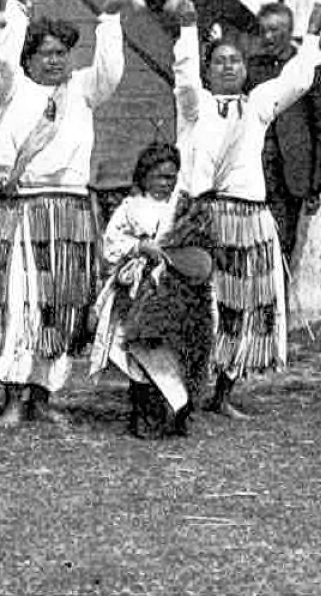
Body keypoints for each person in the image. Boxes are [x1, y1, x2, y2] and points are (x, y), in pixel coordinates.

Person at [0, 0, 130, 428]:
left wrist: (109, 20)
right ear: (30, 59)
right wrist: (19, 5)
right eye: (44, 54)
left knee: (61, 303)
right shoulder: (14, 90)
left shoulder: (81, 90)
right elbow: (1, 61)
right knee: (15, 299)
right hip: (22, 209)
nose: (53, 61)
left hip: (69, 210)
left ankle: (43, 396)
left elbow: (110, 71)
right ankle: (11, 397)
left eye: (61, 53)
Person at [172, 0, 321, 419]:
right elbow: (184, 79)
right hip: (206, 218)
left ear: (246, 70)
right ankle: (186, 389)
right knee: (201, 306)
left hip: (249, 219)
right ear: (208, 70)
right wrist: (188, 27)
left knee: (243, 307)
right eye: (219, 61)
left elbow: (297, 80)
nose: (228, 67)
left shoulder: (258, 103)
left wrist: (313, 33)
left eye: (235, 62)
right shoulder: (196, 107)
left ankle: (223, 394)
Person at [90, 142, 215, 437]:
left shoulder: (183, 209)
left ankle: (178, 411)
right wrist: (139, 247)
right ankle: (147, 416)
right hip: (139, 291)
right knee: (141, 350)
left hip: (178, 291)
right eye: (160, 177)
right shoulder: (131, 208)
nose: (166, 183)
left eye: (171, 177)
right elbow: (110, 245)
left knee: (176, 349)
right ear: (144, 176)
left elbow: (198, 248)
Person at [244, 2, 321, 264]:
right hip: (257, 170)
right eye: (264, 31)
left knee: (283, 244)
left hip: (292, 173)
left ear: (289, 31)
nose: (269, 37)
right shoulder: (252, 69)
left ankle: (278, 303)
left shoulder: (306, 68)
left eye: (275, 30)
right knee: (253, 242)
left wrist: (316, 185)